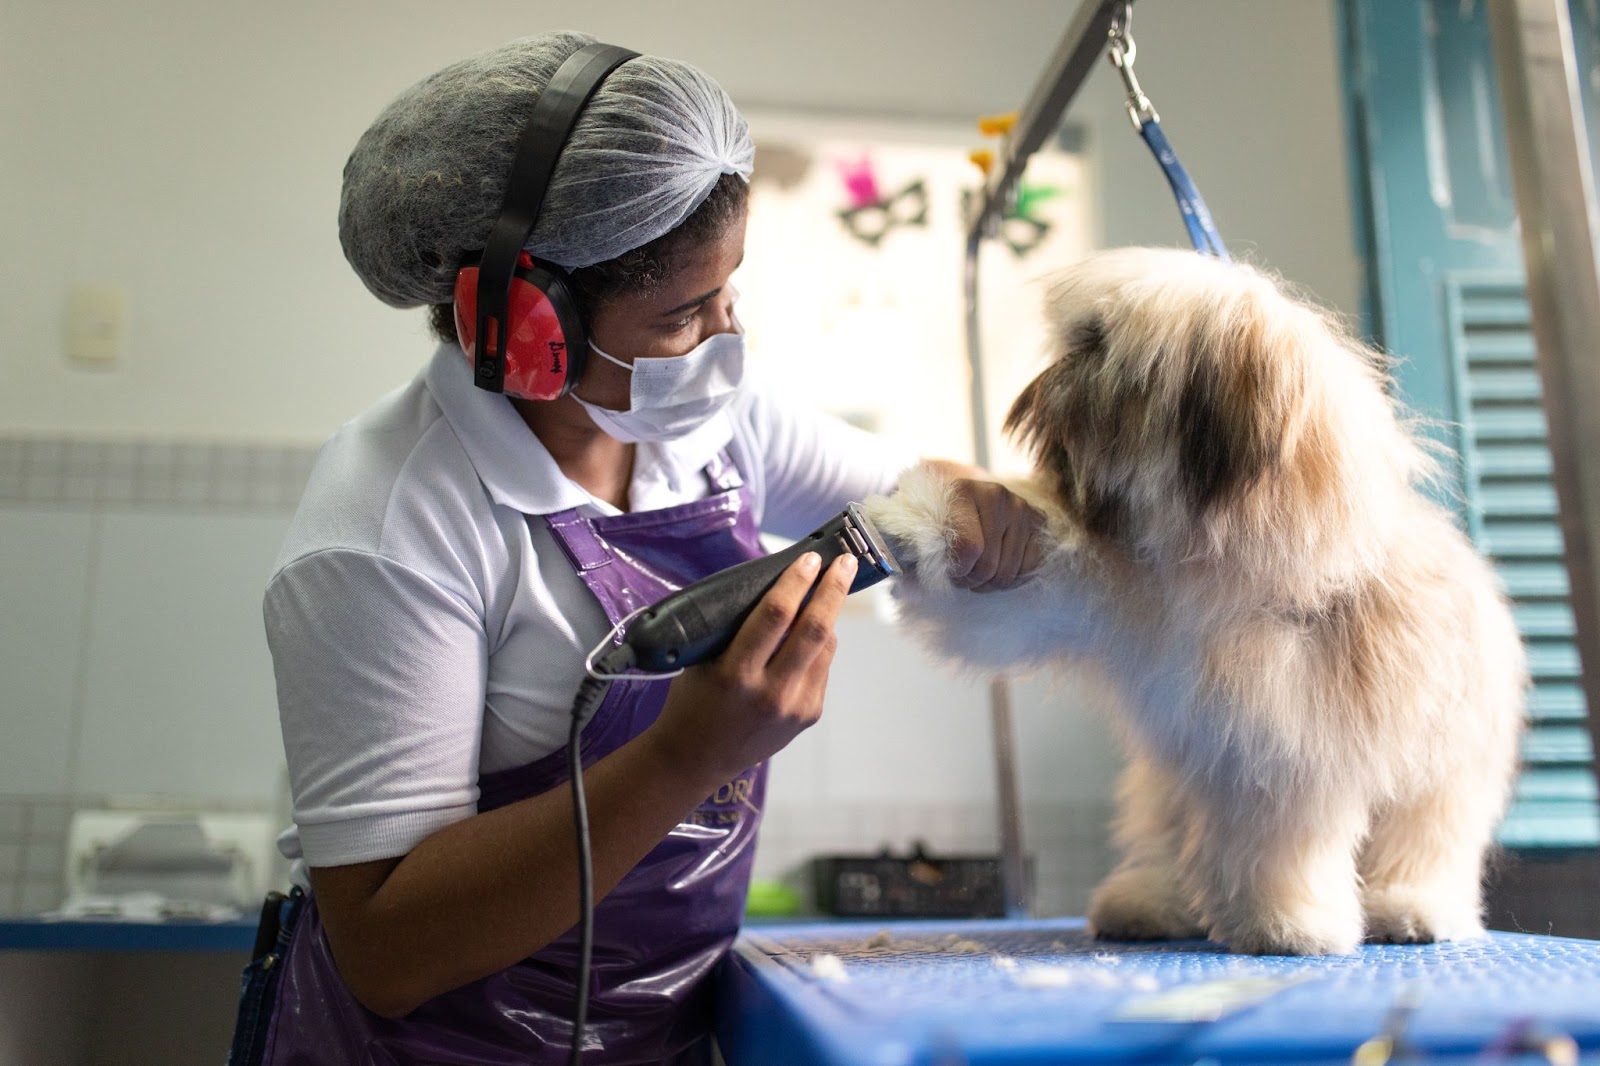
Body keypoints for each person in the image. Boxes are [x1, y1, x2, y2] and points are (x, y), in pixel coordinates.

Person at [240, 30, 1044, 1065]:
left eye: (729, 291)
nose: (726, 337)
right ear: (525, 324)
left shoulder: (715, 424)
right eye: (682, 314)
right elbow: (388, 947)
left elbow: (925, 498)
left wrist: (1017, 513)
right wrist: (686, 753)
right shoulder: (392, 525)